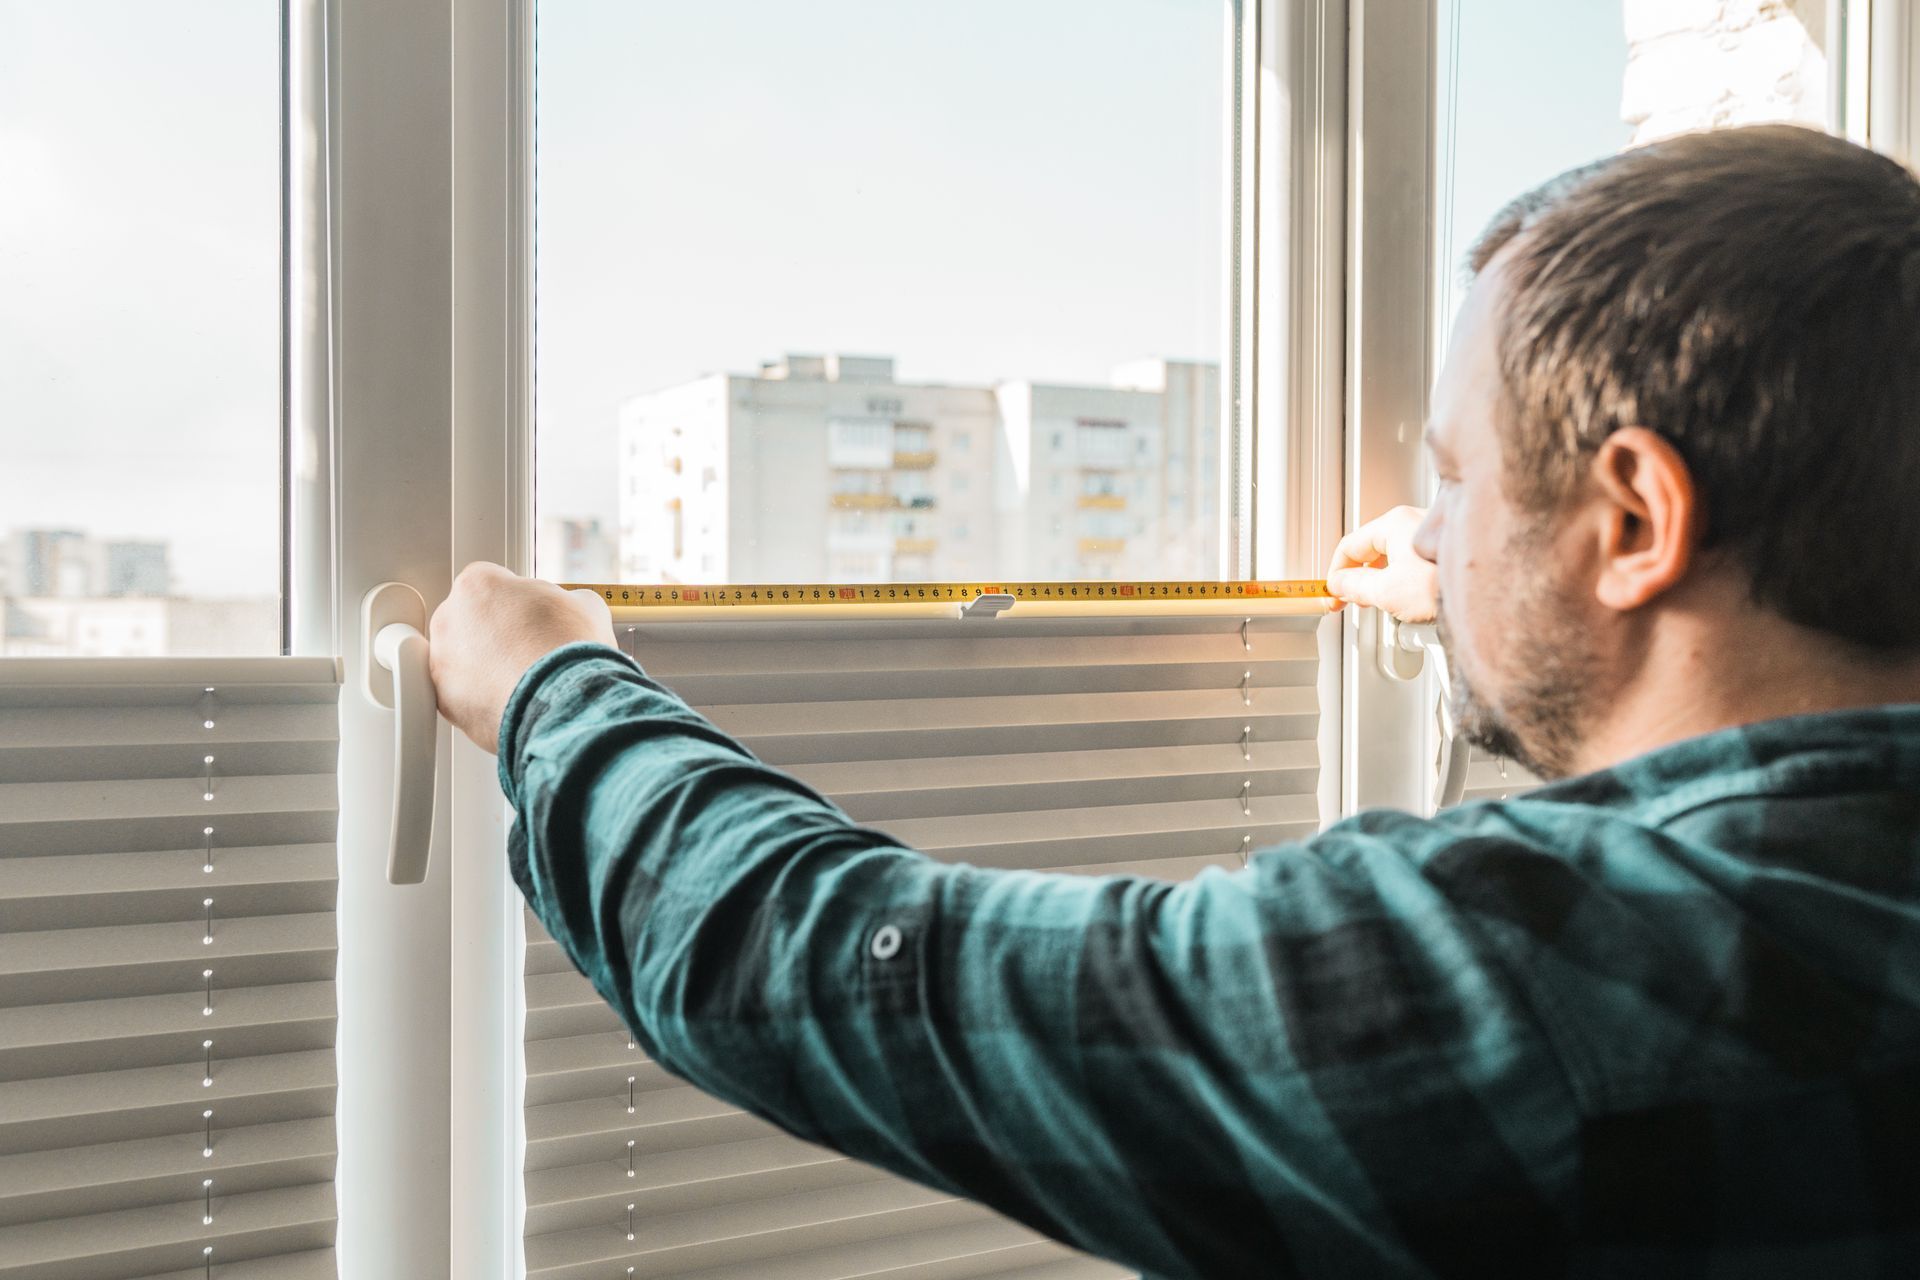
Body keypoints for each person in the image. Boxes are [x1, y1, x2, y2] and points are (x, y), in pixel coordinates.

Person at [430, 125, 1920, 1277]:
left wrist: (555, 684)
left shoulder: (1512, 989)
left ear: (1638, 525)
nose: (1437, 516)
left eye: (1459, 477)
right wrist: (1499, 579)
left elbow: (818, 959)